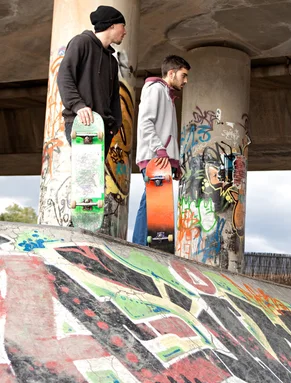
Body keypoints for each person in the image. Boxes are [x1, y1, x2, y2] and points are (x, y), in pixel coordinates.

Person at [132, 55, 191, 246]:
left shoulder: (167, 95)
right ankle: (140, 246)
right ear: (172, 73)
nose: (186, 81)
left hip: (162, 159)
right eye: (184, 75)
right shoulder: (155, 90)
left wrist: (175, 163)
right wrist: (160, 150)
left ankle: (146, 245)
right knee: (151, 202)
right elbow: (145, 122)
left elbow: (167, 132)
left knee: (154, 204)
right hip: (154, 158)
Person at [57, 5, 126, 158]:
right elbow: (64, 76)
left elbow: (114, 96)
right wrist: (78, 105)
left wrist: (114, 125)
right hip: (83, 124)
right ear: (112, 25)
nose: (125, 32)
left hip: (103, 127)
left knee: (95, 180)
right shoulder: (81, 43)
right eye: (123, 27)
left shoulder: (112, 62)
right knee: (86, 177)